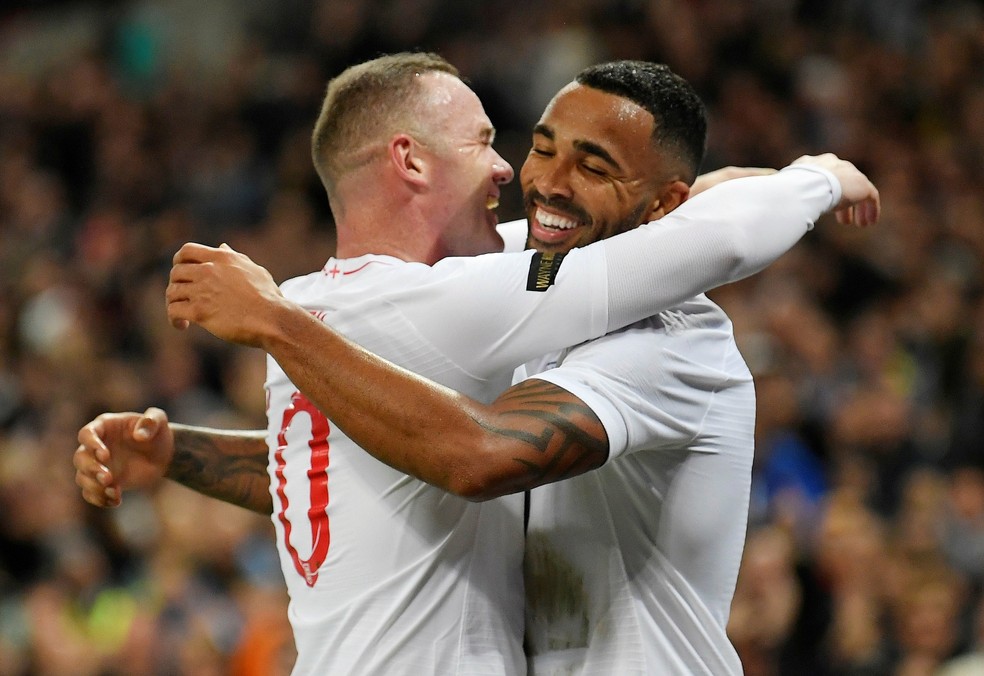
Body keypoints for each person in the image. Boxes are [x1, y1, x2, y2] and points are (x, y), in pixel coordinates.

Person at [75, 53, 879, 675]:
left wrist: (192, 439)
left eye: (591, 165)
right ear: (413, 161)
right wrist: (812, 178)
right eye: (517, 145)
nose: (522, 177)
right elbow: (459, 440)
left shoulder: (668, 338)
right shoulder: (445, 306)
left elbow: (417, 457)